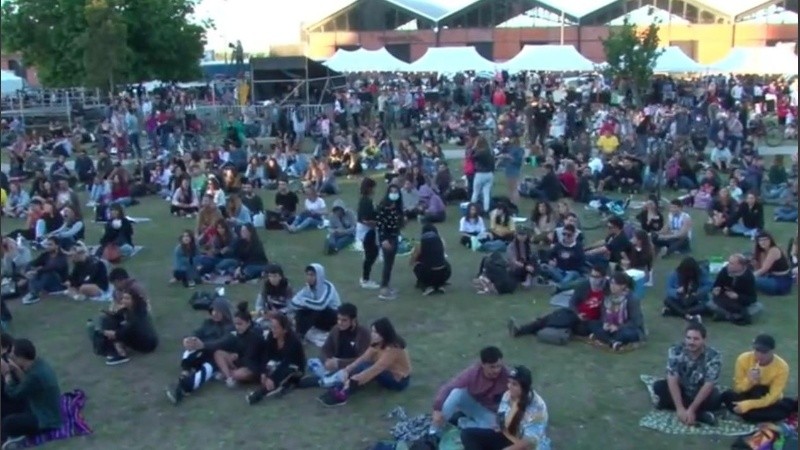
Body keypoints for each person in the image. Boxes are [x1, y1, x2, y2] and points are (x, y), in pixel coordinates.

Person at [318, 317, 411, 407]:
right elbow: (363, 357)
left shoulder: (393, 348)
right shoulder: (377, 342)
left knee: (365, 368)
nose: (373, 334)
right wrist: (347, 369)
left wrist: (355, 379)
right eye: (372, 331)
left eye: (376, 332)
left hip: (398, 380)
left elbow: (376, 368)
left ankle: (344, 394)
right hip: (383, 370)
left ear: (384, 334)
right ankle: (338, 386)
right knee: (361, 366)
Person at [459, 365, 551, 450]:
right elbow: (501, 419)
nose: (509, 386)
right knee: (467, 434)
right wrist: (500, 425)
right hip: (507, 437)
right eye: (509, 383)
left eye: (514, 384)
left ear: (525, 388)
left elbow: (528, 442)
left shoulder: (538, 407)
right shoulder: (507, 395)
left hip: (525, 447)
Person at [165, 297, 235, 405]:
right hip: (202, 352)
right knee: (189, 350)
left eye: (218, 311)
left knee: (206, 369)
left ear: (224, 312)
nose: (215, 313)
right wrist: (188, 339)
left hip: (215, 357)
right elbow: (197, 332)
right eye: (213, 310)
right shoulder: (208, 323)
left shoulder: (229, 327)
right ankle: (185, 372)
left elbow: (222, 343)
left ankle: (184, 388)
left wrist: (203, 345)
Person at [509, 265, 607, 339]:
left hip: (590, 322)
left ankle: (531, 328)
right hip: (575, 315)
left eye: (597, 277)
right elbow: (572, 302)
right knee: (556, 316)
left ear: (603, 278)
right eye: (592, 276)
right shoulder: (584, 286)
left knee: (557, 321)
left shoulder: (606, 290)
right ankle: (522, 329)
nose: (593, 279)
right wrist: (577, 314)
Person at [652, 322, 722, 426]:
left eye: (695, 339)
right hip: (682, 390)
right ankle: (699, 415)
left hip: (700, 393)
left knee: (715, 397)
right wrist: (680, 408)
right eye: (688, 338)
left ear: (704, 339)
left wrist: (692, 409)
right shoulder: (676, 350)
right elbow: (672, 377)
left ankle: (685, 410)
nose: (691, 342)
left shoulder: (714, 356)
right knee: (658, 386)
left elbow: (709, 384)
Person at [430, 346, 510, 435]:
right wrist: (437, 409)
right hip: (473, 404)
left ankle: (464, 424)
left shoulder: (507, 375)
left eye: (498, 366)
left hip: (492, 413)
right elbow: (449, 387)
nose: (496, 370)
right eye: (492, 367)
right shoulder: (473, 373)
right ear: (483, 365)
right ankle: (435, 430)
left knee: (495, 430)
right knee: (457, 393)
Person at [720, 334, 796, 423]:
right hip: (747, 394)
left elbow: (772, 397)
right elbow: (738, 389)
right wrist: (749, 380)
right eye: (757, 350)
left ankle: (749, 414)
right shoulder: (743, 359)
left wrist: (748, 405)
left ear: (773, 351)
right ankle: (754, 415)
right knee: (727, 395)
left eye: (764, 352)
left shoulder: (782, 367)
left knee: (766, 397)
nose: (759, 355)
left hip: (766, 398)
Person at [0, 339, 62, 448]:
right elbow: (25, 385)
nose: (11, 358)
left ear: (21, 358)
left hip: (45, 420)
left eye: (13, 356)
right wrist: (17, 371)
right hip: (42, 408)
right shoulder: (39, 364)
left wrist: (7, 374)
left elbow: (13, 393)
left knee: (7, 423)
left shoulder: (35, 376)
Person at [300, 303, 371, 388]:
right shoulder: (336, 329)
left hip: (350, 367)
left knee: (343, 375)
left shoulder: (363, 334)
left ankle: (321, 381)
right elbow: (325, 349)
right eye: (339, 319)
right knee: (311, 361)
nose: (340, 323)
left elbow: (363, 360)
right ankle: (328, 377)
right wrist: (327, 360)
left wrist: (339, 363)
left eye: (344, 320)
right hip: (333, 363)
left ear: (353, 320)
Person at [246, 313, 306, 404]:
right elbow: (266, 355)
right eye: (272, 327)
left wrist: (271, 378)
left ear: (284, 330)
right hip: (278, 362)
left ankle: (259, 394)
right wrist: (263, 372)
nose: (272, 330)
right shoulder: (271, 336)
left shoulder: (293, 341)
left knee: (283, 373)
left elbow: (286, 363)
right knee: (266, 369)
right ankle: (281, 386)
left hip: (294, 367)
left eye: (275, 327)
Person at [92, 289, 158, 365]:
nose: (124, 301)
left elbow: (127, 329)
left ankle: (121, 354)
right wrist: (108, 313)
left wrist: (111, 334)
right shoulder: (128, 310)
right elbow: (116, 317)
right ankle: (115, 347)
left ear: (134, 300)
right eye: (123, 298)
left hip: (146, 344)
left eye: (127, 299)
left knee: (111, 330)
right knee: (107, 319)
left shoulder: (138, 315)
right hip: (139, 336)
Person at [587, 272, 646, 351]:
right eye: (611, 283)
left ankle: (607, 339)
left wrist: (618, 327)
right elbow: (603, 315)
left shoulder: (631, 299)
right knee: (593, 324)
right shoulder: (607, 297)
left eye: (615, 284)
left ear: (623, 286)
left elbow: (636, 322)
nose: (612, 286)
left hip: (627, 328)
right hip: (610, 327)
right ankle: (612, 342)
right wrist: (606, 323)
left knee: (624, 334)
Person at [212, 302, 264, 388]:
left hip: (252, 366)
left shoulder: (255, 336)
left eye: (240, 324)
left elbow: (250, 357)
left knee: (239, 374)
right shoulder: (239, 333)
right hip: (240, 361)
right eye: (235, 324)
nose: (237, 327)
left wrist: (237, 358)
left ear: (248, 323)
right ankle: (229, 377)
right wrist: (234, 355)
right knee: (218, 353)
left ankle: (227, 374)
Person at [289, 263, 341, 338]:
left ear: (319, 276)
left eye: (312, 275)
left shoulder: (328, 286)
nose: (309, 277)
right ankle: (299, 334)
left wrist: (304, 301)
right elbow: (293, 302)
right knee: (301, 310)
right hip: (319, 320)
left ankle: (300, 334)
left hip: (333, 318)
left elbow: (321, 305)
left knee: (315, 309)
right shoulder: (307, 288)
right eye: (308, 275)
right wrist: (304, 304)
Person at [710, 254, 758, 325]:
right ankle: (732, 316)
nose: (728, 265)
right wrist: (716, 289)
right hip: (723, 299)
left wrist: (737, 296)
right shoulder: (725, 271)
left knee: (757, 307)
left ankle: (725, 315)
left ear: (740, 265)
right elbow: (717, 285)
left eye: (731, 263)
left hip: (739, 303)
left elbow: (752, 298)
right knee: (710, 300)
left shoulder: (748, 277)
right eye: (729, 262)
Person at [21, 237, 68, 305]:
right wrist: (27, 270)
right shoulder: (46, 255)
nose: (48, 246)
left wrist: (37, 271)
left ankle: (34, 294)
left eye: (50, 245)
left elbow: (52, 267)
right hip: (48, 283)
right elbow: (33, 263)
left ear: (57, 246)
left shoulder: (62, 257)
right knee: (34, 274)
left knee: (47, 273)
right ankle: (33, 292)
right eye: (47, 244)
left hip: (59, 285)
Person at [662, 257, 712, 322]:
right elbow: (669, 290)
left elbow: (709, 285)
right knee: (667, 300)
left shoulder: (701, 273)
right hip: (681, 300)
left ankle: (673, 312)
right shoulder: (675, 274)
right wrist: (677, 291)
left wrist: (698, 292)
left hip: (696, 300)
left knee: (705, 306)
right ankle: (688, 316)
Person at [375, 184, 403, 300]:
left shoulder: (397, 206)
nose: (394, 193)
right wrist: (383, 240)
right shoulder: (383, 206)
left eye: (396, 191)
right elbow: (380, 225)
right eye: (392, 191)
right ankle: (384, 289)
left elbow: (397, 223)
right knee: (387, 263)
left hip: (394, 236)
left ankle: (387, 285)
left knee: (390, 263)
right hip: (387, 237)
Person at [410, 224, 451, 295]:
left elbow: (412, 260)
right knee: (444, 263)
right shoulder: (441, 241)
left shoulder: (421, 243)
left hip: (429, 274)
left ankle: (428, 286)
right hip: (444, 273)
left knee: (417, 266)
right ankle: (439, 285)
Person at [751, 232, 793, 296]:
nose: (763, 242)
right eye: (760, 240)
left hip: (780, 282)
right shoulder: (762, 252)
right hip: (771, 278)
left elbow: (764, 269)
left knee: (750, 279)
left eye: (765, 240)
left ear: (770, 240)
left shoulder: (774, 250)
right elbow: (759, 269)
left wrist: (749, 276)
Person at [357, 178, 381, 289]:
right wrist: (377, 224)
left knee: (373, 253)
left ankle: (365, 278)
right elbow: (365, 220)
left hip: (367, 230)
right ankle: (365, 279)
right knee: (371, 254)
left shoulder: (366, 200)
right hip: (366, 231)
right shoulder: (366, 201)